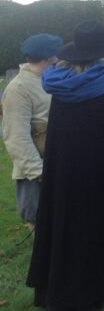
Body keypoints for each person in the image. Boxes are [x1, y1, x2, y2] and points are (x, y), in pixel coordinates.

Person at [26, 21, 104, 310]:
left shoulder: (60, 87)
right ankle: (96, 288)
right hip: (102, 178)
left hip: (66, 178)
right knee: (98, 231)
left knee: (69, 230)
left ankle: (61, 287)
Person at [1, 33, 63, 231]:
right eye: (56, 55)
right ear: (47, 57)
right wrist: (37, 171)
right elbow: (15, 137)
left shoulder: (49, 78)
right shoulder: (18, 88)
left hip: (57, 162)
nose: (59, 58)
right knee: (41, 222)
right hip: (38, 170)